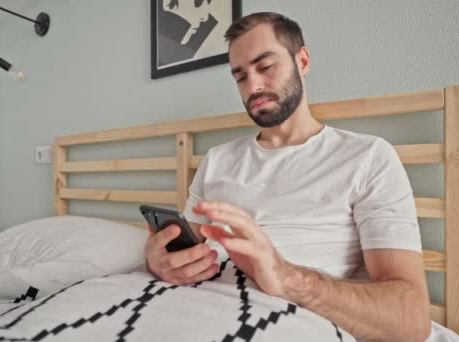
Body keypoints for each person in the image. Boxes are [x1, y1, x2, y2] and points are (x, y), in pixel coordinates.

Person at [144, 12, 431, 342]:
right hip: (191, 310)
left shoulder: (367, 158)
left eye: (265, 67)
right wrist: (157, 260)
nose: (253, 86)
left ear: (303, 60)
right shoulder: (216, 160)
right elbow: (181, 250)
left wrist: (285, 276)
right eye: (240, 76)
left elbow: (411, 320)